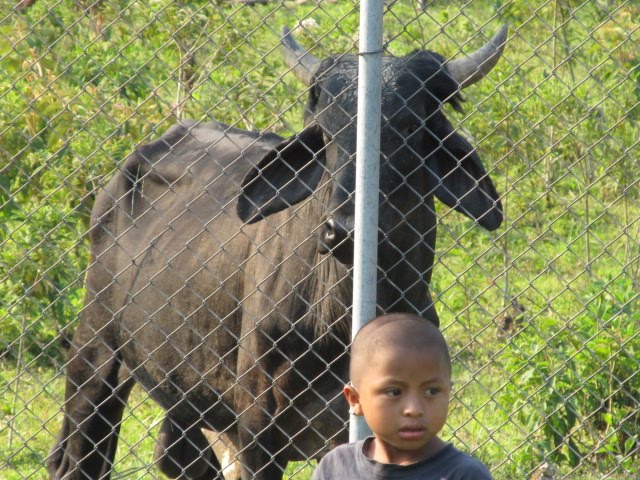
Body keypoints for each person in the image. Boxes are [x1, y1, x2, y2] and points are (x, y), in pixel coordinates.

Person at [312, 312, 492, 479]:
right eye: (394, 392)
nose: (414, 409)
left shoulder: (464, 474)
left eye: (431, 391)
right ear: (355, 400)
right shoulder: (335, 468)